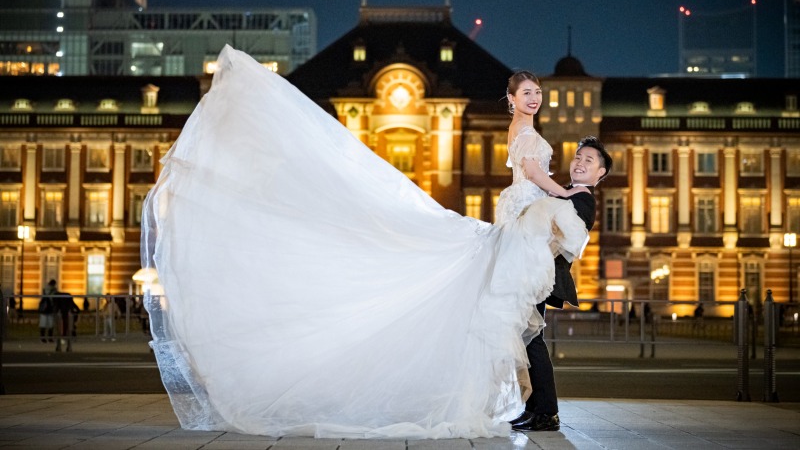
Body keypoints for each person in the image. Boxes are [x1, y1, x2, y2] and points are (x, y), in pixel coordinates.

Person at [140, 46, 589, 439]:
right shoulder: (526, 135)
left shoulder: (519, 130)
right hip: (520, 234)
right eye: (526, 93)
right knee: (520, 325)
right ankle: (540, 410)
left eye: (538, 92)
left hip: (517, 229)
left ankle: (537, 409)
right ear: (511, 99)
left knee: (514, 324)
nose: (535, 98)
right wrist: (564, 192)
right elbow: (532, 174)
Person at [511, 136, 612, 432]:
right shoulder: (567, 193)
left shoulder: (581, 199)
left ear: (600, 173)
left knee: (532, 339)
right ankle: (534, 408)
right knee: (527, 338)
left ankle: (546, 412)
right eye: (578, 157)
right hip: (534, 271)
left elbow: (565, 239)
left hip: (541, 274)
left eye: (589, 161)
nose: (580, 163)